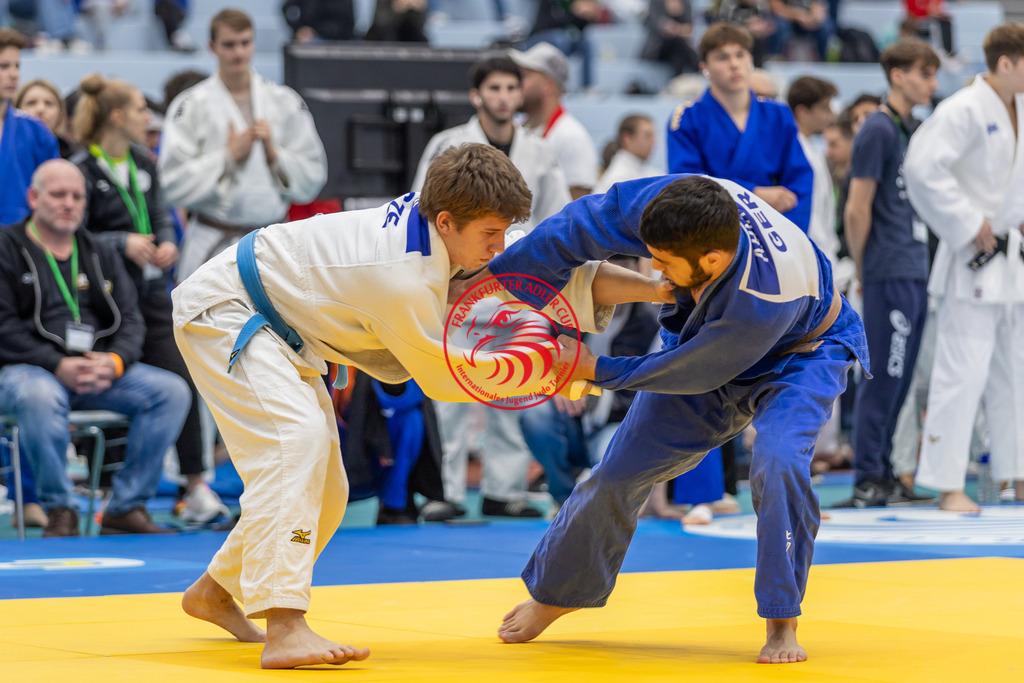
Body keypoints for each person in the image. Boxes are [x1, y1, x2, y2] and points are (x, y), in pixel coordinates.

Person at [171, 143, 663, 669]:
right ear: (447, 221)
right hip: (229, 310)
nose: (499, 248)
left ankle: (216, 592)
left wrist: (657, 288)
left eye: (502, 233)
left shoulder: (459, 228)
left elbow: (559, 275)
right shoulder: (400, 274)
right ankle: (284, 624)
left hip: (284, 325)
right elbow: (447, 371)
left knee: (329, 491)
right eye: (491, 236)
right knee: (297, 445)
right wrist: (558, 370)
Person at [487, 173, 867, 663]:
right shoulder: (669, 204)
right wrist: (499, 284)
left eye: (664, 264)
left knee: (778, 461)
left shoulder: (761, 296)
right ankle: (557, 594)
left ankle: (781, 618)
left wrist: (595, 369)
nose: (656, 274)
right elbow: (578, 225)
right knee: (618, 472)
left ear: (711, 261)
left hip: (804, 352)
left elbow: (690, 371)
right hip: (707, 336)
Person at [411, 55, 571, 519]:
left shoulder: (539, 150)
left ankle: (503, 489)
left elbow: (557, 219)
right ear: (477, 95)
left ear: (521, 95)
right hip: (459, 285)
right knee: (450, 390)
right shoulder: (448, 145)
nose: (503, 97)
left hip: (516, 286)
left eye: (510, 89)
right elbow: (425, 214)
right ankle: (448, 491)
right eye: (494, 89)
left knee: (512, 384)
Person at [0, 160, 191, 537]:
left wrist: (116, 362)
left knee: (171, 392)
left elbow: (132, 321)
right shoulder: (6, 247)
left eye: (77, 196)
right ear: (34, 197)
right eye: (58, 195)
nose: (69, 203)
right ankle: (61, 510)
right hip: (29, 370)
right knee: (39, 394)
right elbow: (3, 327)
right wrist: (57, 363)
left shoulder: (98, 250)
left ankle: (126, 507)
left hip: (96, 370)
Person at [69, 74, 228, 523]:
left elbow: (159, 213)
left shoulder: (144, 160)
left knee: (184, 377)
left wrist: (165, 242)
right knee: (117, 389)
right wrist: (122, 243)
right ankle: (110, 490)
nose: (148, 118)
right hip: (105, 302)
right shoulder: (82, 169)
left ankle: (195, 486)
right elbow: (76, 235)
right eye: (141, 109)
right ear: (117, 117)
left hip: (154, 293)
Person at [904, 23, 1024, 511]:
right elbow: (922, 168)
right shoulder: (965, 108)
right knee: (961, 373)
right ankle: (947, 484)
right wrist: (966, 220)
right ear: (1006, 63)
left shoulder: (1018, 110)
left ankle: (1015, 475)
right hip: (973, 260)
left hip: (1011, 264)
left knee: (1014, 374)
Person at [838, 38, 940, 508]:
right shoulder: (877, 128)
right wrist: (863, 265)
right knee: (883, 373)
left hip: (914, 265)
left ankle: (884, 472)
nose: (932, 84)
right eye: (924, 73)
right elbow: (857, 208)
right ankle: (866, 477)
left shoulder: (911, 128)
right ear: (898, 75)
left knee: (899, 376)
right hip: (887, 268)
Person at [158, 8, 327, 282]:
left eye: (245, 43)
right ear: (212, 47)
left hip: (270, 241)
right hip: (212, 237)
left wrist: (274, 155)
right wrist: (227, 156)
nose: (238, 53)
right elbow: (172, 183)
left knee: (274, 324)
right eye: (229, 45)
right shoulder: (191, 105)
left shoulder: (284, 101)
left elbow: (314, 176)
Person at [666, 24, 813, 232]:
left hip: (773, 231)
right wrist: (754, 195)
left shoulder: (778, 114)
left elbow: (800, 180)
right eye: (722, 57)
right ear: (704, 68)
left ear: (751, 60)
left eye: (740, 55)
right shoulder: (686, 118)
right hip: (712, 231)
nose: (734, 64)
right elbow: (688, 184)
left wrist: (788, 235)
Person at [511, 41, 600, 199]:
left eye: (525, 76)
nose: (516, 84)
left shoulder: (572, 137)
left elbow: (578, 209)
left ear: (548, 84)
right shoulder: (518, 128)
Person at [0, 28, 60, 226]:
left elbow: (55, 193)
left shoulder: (36, 132)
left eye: (17, 66)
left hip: (22, 242)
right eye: (4, 66)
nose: (14, 75)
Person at [593, 114, 661, 194]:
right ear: (626, 138)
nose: (654, 141)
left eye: (653, 136)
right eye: (647, 136)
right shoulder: (618, 180)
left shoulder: (644, 172)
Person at [14, 78, 76, 158]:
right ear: (16, 109)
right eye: (31, 103)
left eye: (48, 103)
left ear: (60, 114)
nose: (41, 109)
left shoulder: (76, 159)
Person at [641, 0, 700, 77]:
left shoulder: (685, 3)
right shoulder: (656, 2)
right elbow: (659, 27)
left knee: (677, 53)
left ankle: (677, 80)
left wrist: (675, 22)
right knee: (677, 42)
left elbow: (689, 31)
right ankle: (697, 64)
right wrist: (679, 29)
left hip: (677, 50)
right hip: (658, 48)